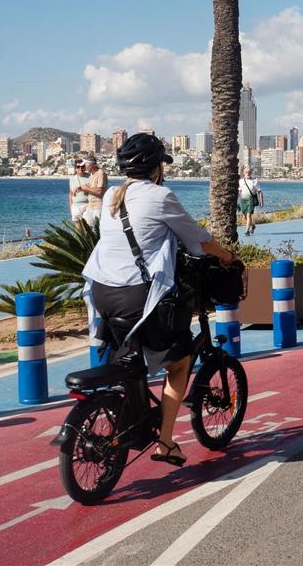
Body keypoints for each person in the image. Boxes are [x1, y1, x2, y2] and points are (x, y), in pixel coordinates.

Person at [82, 133, 237, 468]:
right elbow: (199, 239)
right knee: (179, 362)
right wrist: (226, 257)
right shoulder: (160, 196)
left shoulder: (112, 195)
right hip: (138, 297)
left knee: (133, 358)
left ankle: (134, 413)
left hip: (101, 293)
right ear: (156, 169)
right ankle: (165, 443)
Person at [80, 154, 108, 229]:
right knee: (87, 228)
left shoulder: (100, 173)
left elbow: (99, 191)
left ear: (90, 165)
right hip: (91, 206)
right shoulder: (92, 174)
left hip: (98, 207)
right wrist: (83, 188)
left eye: (85, 165)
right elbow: (91, 189)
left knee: (98, 230)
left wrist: (86, 188)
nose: (84, 167)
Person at [238, 167, 263, 236]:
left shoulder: (254, 181)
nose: (248, 173)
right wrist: (236, 200)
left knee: (249, 215)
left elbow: (259, 191)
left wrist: (261, 201)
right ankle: (252, 226)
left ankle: (247, 231)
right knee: (245, 216)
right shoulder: (241, 181)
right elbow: (239, 191)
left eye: (249, 172)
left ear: (251, 173)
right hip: (243, 200)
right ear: (244, 173)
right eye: (246, 172)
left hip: (251, 200)